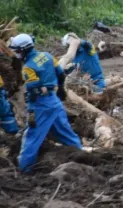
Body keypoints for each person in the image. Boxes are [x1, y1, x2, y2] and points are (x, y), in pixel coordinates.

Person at [9, 33, 82, 172]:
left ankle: (24, 170)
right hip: (54, 101)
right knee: (66, 133)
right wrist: (60, 88)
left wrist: (31, 109)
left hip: (41, 105)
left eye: (17, 50)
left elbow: (34, 88)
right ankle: (82, 158)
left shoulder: (28, 67)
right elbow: (60, 73)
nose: (16, 53)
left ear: (23, 50)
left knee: (32, 137)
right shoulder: (47, 56)